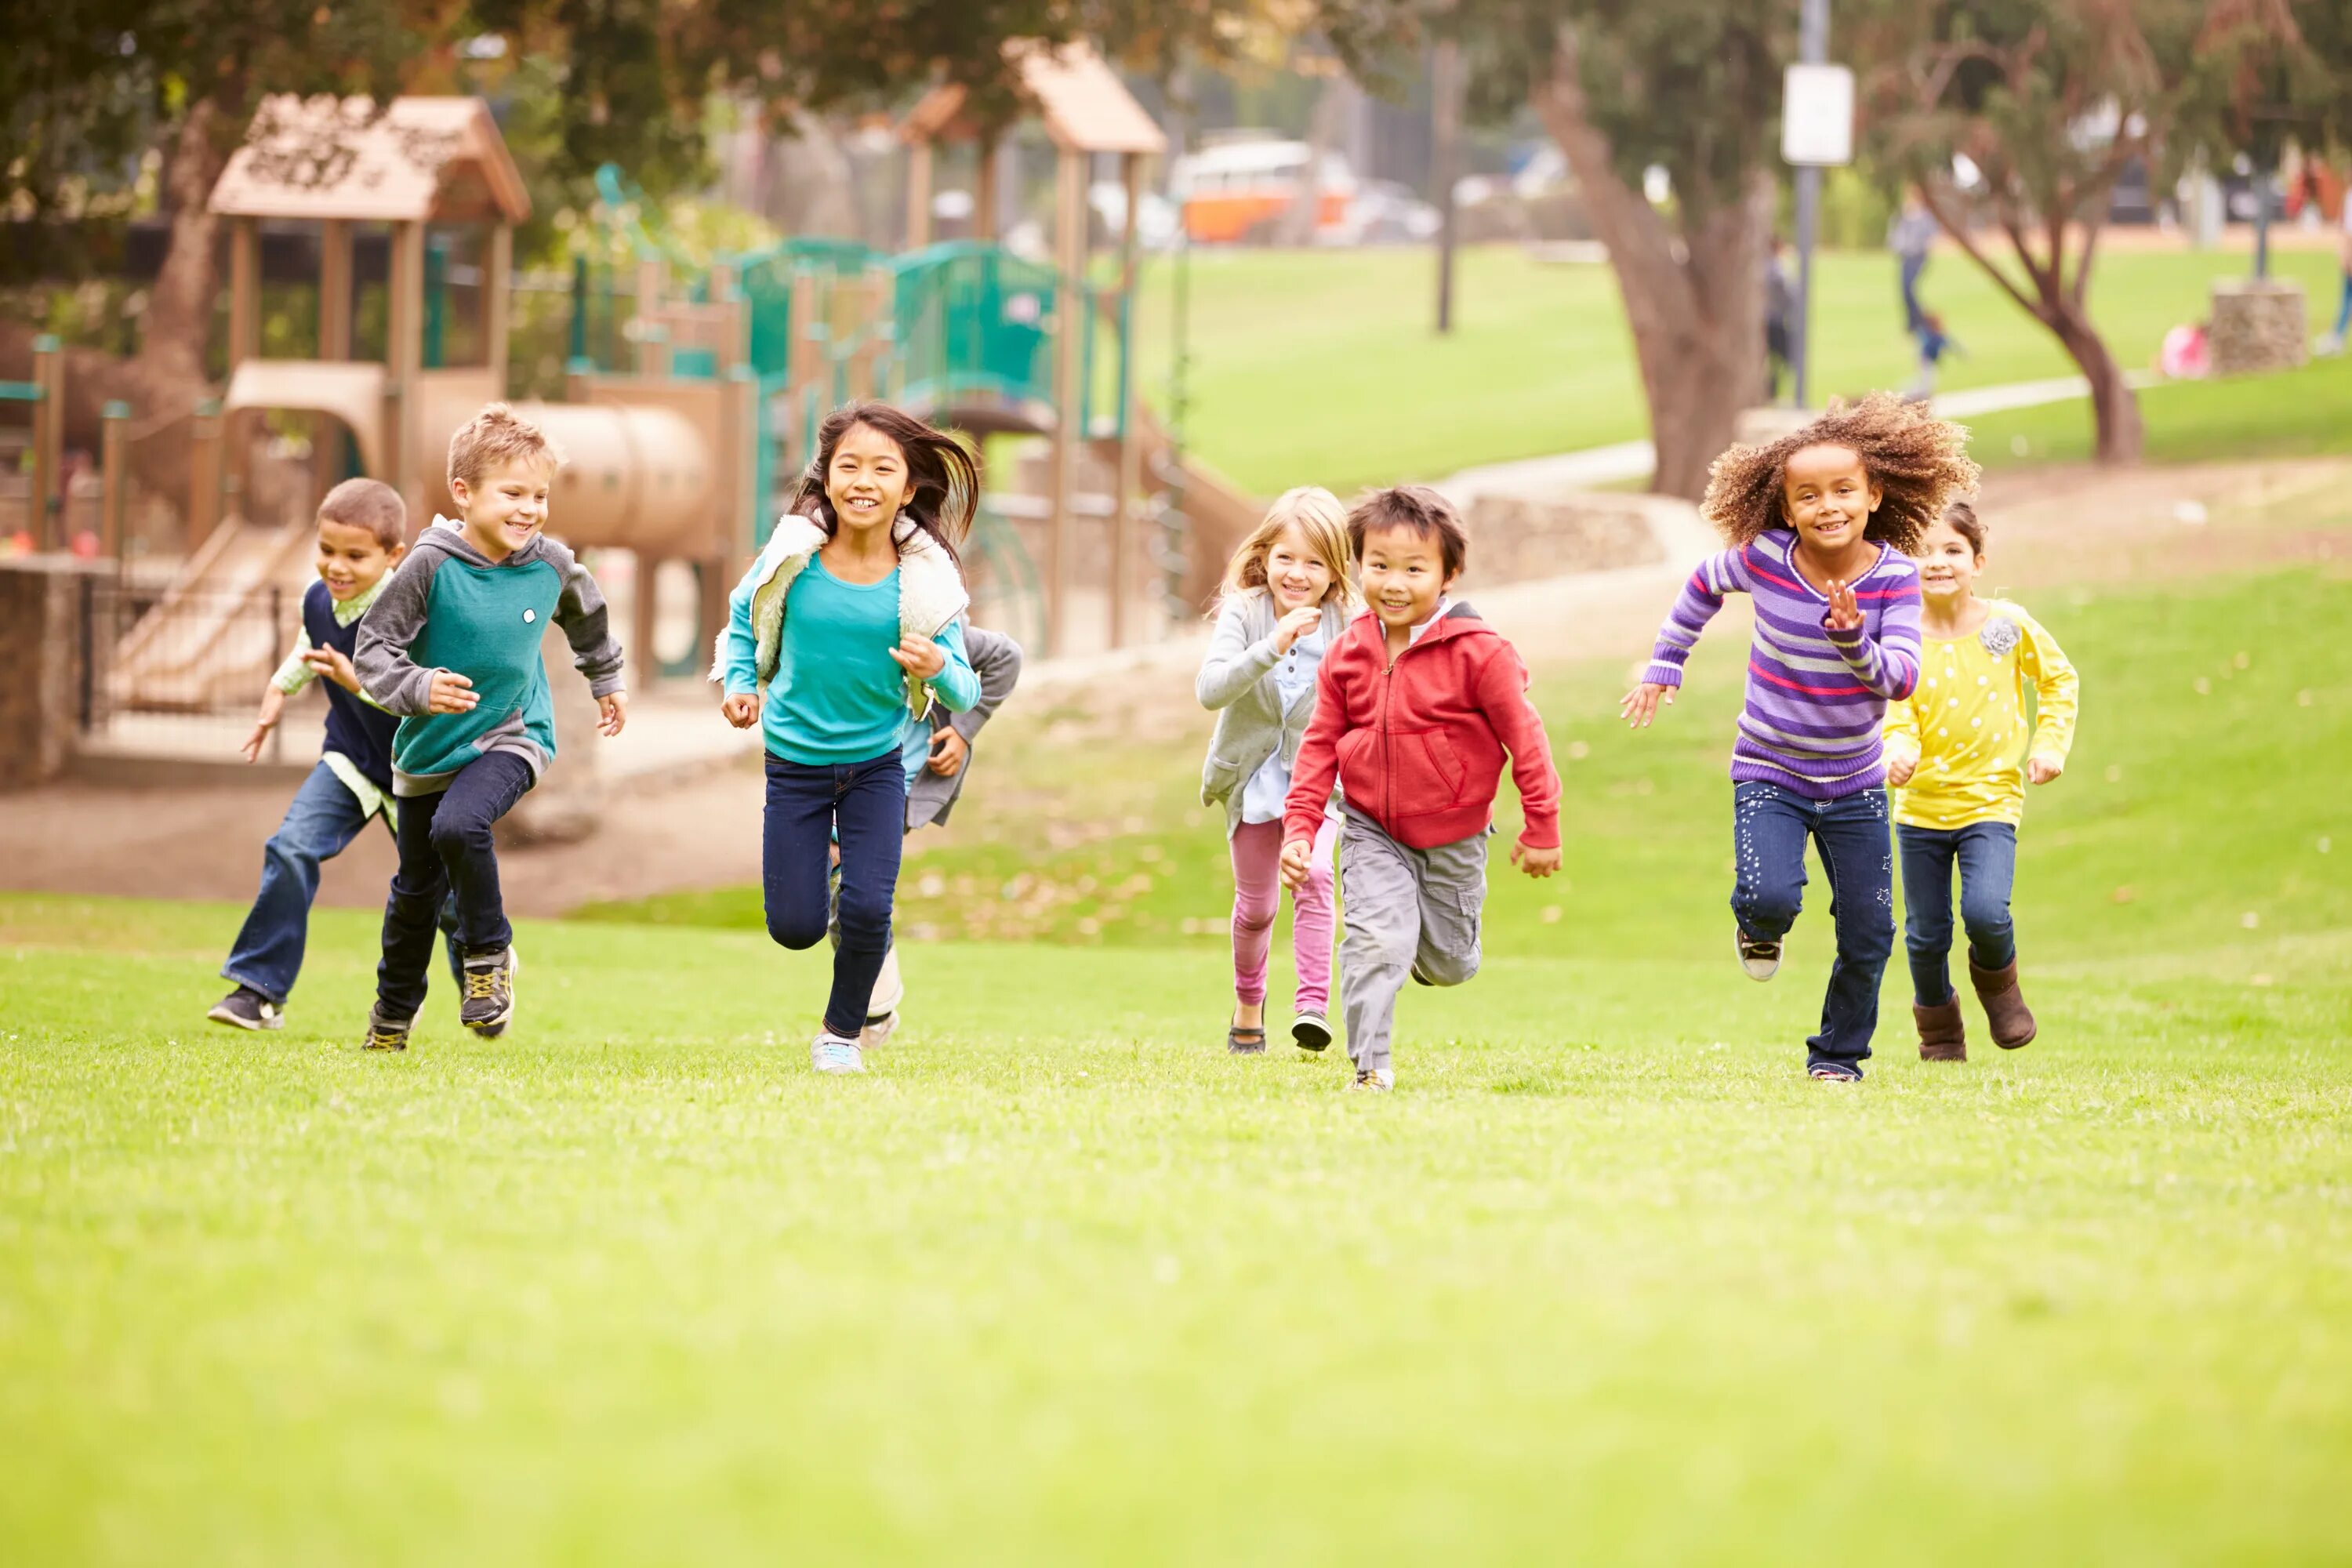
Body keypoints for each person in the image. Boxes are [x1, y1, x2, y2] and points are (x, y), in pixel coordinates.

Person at [1621, 394, 1976, 1082]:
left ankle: (1838, 1057)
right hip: (1769, 768)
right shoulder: (1764, 560)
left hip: (1856, 783)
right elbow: (1701, 583)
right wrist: (1668, 660)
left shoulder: (1896, 580)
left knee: (1870, 932)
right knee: (1769, 898)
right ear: (1786, 509)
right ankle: (1757, 926)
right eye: (1808, 496)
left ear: (1875, 495)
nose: (1828, 506)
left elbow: (1900, 679)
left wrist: (1852, 644)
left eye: (1844, 490)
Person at [716, 402, 981, 1076]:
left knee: (868, 907)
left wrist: (938, 668)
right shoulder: (792, 558)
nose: (864, 481)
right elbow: (746, 621)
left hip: (877, 767)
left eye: (882, 468)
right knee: (797, 926)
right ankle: (835, 908)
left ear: (909, 485)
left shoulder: (923, 581)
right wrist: (740, 684)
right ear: (827, 478)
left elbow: (967, 692)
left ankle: (841, 1034)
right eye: (849, 466)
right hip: (795, 765)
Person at [354, 405, 628, 1051]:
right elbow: (374, 651)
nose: (530, 509)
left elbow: (586, 613)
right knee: (415, 894)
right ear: (464, 493)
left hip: (515, 733)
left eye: (540, 495)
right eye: (513, 493)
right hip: (428, 750)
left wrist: (607, 680)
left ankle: (488, 960)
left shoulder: (551, 564)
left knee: (461, 824)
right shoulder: (428, 566)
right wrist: (419, 687)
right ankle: (392, 1015)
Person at [1279, 486, 1562, 1092]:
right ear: (1357, 567)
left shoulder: (1481, 655)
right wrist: (1301, 830)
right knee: (1376, 940)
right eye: (1379, 565)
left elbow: (1527, 741)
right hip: (1370, 828)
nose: (1394, 583)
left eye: (1414, 568)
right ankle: (1370, 1068)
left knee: (1450, 963)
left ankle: (1429, 951)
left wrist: (1542, 826)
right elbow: (1318, 747)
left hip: (1454, 835)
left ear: (1449, 574)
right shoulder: (1347, 654)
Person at [209, 479, 454, 1029]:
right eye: (326, 551)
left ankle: (484, 978)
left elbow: (428, 700)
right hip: (349, 763)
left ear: (394, 556)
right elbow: (307, 647)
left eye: (354, 556)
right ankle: (257, 991)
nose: (336, 567)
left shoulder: (409, 611)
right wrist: (277, 694)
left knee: (449, 903)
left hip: (415, 774)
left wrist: (358, 683)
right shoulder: (320, 599)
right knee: (290, 848)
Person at [1882, 502, 2078, 1061]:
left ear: (1978, 561)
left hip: (1990, 802)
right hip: (1919, 810)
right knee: (1925, 935)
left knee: (1986, 912)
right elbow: (1894, 711)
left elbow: (2059, 679)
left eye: (1951, 550)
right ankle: (1940, 1030)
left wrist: (2048, 746)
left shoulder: (2006, 626)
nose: (1936, 562)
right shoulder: (1901, 639)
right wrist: (1897, 752)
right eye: (1922, 551)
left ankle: (2001, 990)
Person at [1196, 486, 1359, 1056]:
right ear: (1264, 555)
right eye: (1286, 557)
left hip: (1320, 784)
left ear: (1335, 572)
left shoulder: (1348, 624)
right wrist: (1272, 644)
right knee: (1258, 907)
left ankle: (1311, 1008)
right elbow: (1210, 691)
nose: (1297, 573)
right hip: (1249, 779)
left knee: (1314, 876)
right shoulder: (1245, 612)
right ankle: (1248, 1002)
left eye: (1315, 562)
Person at [833, 615, 1023, 1051]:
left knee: (852, 885)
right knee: (832, 896)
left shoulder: (927, 623)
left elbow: (1006, 657)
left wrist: (961, 730)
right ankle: (876, 1002)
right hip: (831, 768)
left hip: (895, 780)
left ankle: (870, 1010)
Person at [1889, 189, 1937, 335]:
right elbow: (1894, 235)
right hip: (1905, 257)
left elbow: (1931, 235)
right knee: (1904, 289)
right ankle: (1912, 322)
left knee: (1910, 287)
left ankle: (1921, 321)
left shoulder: (1925, 216)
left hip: (1919, 256)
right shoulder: (1901, 216)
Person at [1905, 310, 1961, 402]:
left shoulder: (1932, 335)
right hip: (1926, 361)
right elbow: (1949, 344)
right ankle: (1905, 396)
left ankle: (1915, 398)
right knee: (1927, 384)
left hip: (1925, 360)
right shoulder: (1935, 336)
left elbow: (1949, 344)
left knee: (1927, 383)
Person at [1764, 237, 1795, 402]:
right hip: (1774, 321)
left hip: (1766, 321)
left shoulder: (1760, 266)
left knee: (1771, 359)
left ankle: (1770, 389)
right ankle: (1771, 390)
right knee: (1790, 355)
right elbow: (1789, 297)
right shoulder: (1777, 271)